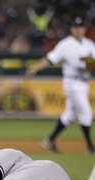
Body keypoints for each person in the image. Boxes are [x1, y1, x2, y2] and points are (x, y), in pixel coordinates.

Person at [26, 16, 95, 154]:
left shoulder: (89, 44)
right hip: (72, 82)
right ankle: (90, 147)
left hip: (84, 82)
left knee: (69, 116)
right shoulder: (65, 45)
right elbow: (50, 59)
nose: (78, 30)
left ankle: (49, 140)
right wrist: (36, 67)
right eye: (75, 27)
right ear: (71, 29)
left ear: (84, 28)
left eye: (81, 27)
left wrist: (90, 65)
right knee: (86, 114)